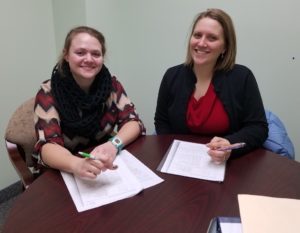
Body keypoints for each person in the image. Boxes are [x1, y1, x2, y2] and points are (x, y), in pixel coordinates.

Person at [154, 8, 268, 163]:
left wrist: (229, 144)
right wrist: (172, 154)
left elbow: (258, 128)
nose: (201, 43)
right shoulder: (172, 75)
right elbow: (162, 121)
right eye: (197, 35)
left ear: (225, 47)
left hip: (228, 166)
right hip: (181, 163)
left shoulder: (242, 77)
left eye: (212, 38)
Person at [33, 26, 145, 179]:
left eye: (96, 54)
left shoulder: (111, 85)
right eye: (80, 53)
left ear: (102, 57)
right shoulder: (48, 92)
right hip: (65, 170)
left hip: (104, 164)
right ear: (66, 55)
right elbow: (48, 146)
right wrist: (76, 164)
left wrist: (114, 144)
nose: (89, 59)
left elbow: (133, 122)